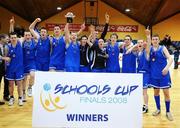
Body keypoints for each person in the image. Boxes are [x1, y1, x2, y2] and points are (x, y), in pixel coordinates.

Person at [149, 34, 173, 121]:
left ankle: (168, 111)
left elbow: (170, 58)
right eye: (153, 39)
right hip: (154, 76)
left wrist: (166, 68)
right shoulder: (150, 49)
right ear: (151, 41)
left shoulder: (162, 48)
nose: (155, 40)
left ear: (159, 41)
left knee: (166, 93)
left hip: (163, 75)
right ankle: (158, 109)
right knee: (156, 93)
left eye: (156, 39)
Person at [6, 32, 24, 106]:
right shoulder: (8, 47)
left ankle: (20, 98)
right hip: (10, 69)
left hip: (19, 69)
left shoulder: (20, 43)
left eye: (14, 37)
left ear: (17, 38)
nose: (13, 39)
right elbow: (6, 57)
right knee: (11, 84)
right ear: (10, 38)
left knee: (20, 84)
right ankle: (11, 98)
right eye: (12, 37)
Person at [0, 34, 10, 102]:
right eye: (7, 38)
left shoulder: (7, 46)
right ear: (2, 39)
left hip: (6, 67)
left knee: (7, 82)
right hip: (0, 67)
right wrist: (4, 58)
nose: (8, 40)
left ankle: (6, 96)